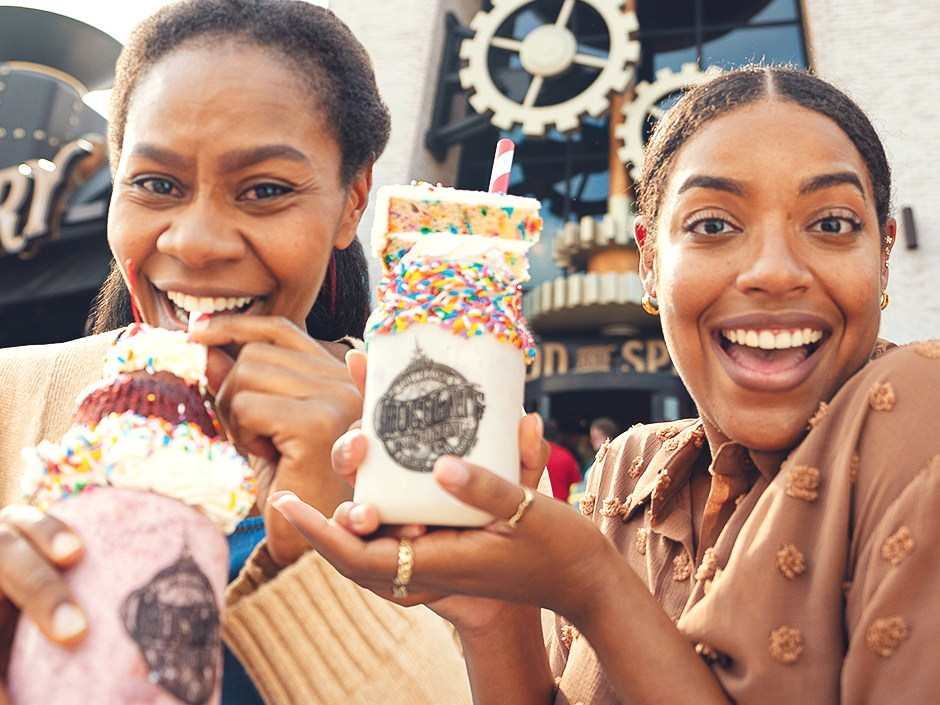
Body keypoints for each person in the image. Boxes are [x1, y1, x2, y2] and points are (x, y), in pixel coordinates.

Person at [269, 64, 940, 704]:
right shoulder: (628, 472)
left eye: (831, 224)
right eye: (713, 225)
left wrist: (590, 583)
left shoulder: (924, 418)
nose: (773, 270)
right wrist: (495, 611)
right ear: (649, 261)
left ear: (884, 254)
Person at [0, 1, 471, 703]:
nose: (194, 242)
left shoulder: (444, 453)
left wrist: (324, 552)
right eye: (156, 184)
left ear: (352, 201)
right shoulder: (11, 399)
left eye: (264, 190)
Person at [543, 420, 582, 502]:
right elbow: (577, 485)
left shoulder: (532, 455)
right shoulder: (566, 456)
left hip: (537, 503)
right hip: (561, 505)